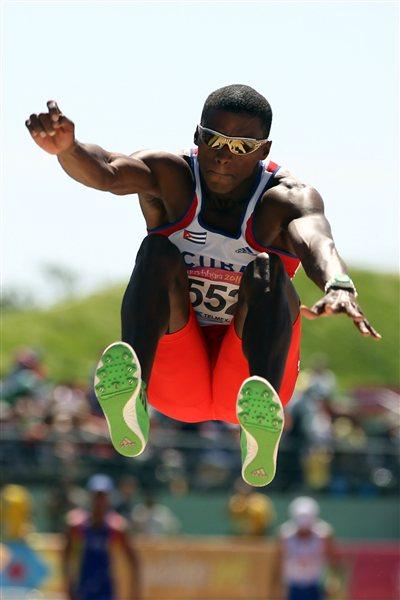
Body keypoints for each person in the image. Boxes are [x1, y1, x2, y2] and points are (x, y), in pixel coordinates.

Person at [26, 85, 380, 488]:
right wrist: (68, 150)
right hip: (176, 379)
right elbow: (107, 170)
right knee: (157, 250)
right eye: (214, 140)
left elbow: (318, 239)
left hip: (246, 378)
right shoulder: (171, 176)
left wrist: (338, 283)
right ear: (198, 136)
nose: (224, 155)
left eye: (240, 146)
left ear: (263, 150)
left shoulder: (285, 199)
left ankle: (258, 426)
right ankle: (133, 393)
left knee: (268, 269)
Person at [63, 474, 141, 600]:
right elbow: (66, 556)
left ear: (108, 498)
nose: (99, 501)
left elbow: (132, 560)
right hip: (83, 587)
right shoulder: (77, 524)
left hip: (106, 588)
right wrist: (68, 584)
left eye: (102, 496)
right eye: (96, 496)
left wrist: (134, 592)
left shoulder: (116, 526)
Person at [274, 496, 339, 600]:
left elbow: (333, 559)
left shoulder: (323, 535)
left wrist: (333, 579)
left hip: (316, 584)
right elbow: (278, 561)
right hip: (293, 585)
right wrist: (278, 586)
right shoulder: (285, 535)